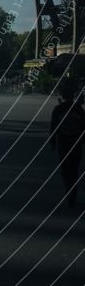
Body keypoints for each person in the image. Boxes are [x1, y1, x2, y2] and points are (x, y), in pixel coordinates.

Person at [50, 80, 85, 208]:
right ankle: (72, 191)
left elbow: (53, 127)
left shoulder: (59, 109)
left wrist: (53, 141)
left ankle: (69, 189)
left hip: (64, 143)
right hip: (76, 144)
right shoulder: (78, 109)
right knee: (73, 169)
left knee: (65, 169)